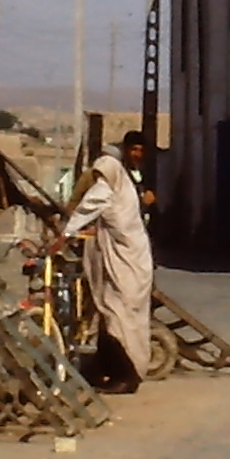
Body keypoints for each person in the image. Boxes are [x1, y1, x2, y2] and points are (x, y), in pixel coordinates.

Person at [57, 132, 158, 393]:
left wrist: (64, 234)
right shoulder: (122, 186)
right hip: (129, 261)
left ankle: (126, 375)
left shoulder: (111, 187)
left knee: (118, 318)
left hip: (128, 264)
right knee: (111, 317)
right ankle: (107, 370)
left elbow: (90, 206)